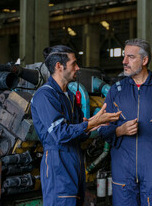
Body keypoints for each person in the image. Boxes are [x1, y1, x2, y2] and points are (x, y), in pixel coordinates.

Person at [31, 45, 121, 206]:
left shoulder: (69, 96)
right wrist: (93, 122)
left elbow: (78, 130)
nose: (78, 68)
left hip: (75, 161)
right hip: (58, 163)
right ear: (59, 66)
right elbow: (60, 133)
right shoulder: (45, 95)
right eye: (74, 63)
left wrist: (94, 126)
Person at [98, 38, 152, 205]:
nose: (124, 61)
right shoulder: (116, 91)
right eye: (124, 56)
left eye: (130, 57)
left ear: (144, 60)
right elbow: (102, 127)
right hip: (123, 166)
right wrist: (119, 131)